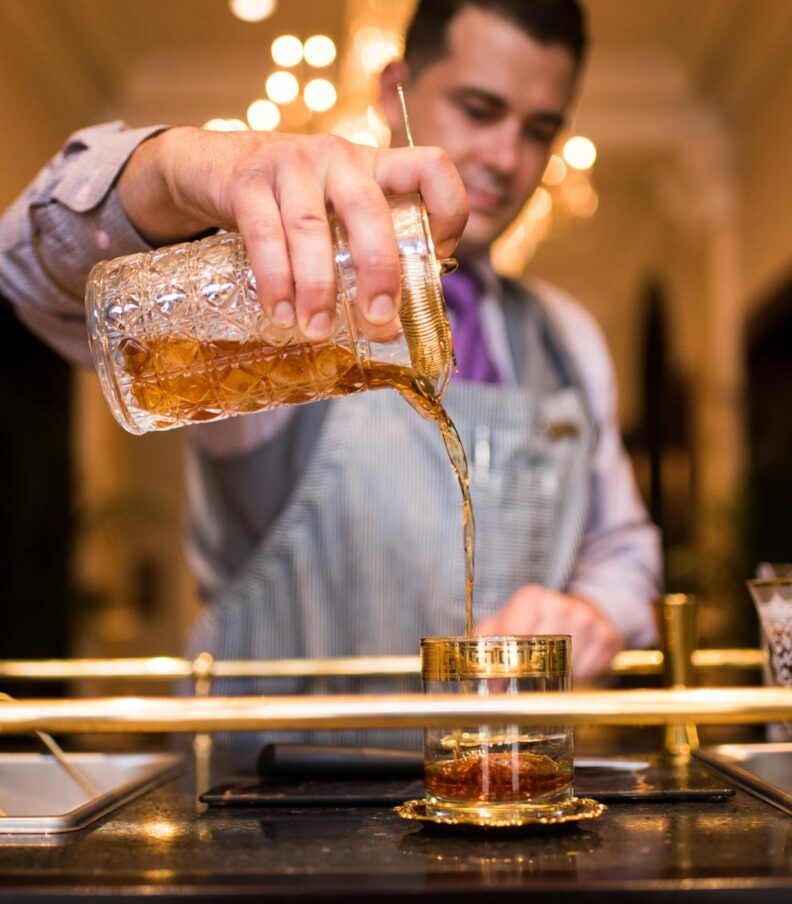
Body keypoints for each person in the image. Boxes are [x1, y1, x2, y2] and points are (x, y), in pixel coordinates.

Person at [0, 0, 660, 709]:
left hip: (495, 793)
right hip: (272, 805)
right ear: (392, 91)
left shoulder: (569, 339)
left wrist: (594, 613)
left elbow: (622, 551)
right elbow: (28, 278)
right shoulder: (279, 290)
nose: (507, 157)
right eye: (478, 108)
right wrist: (174, 168)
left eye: (540, 130)